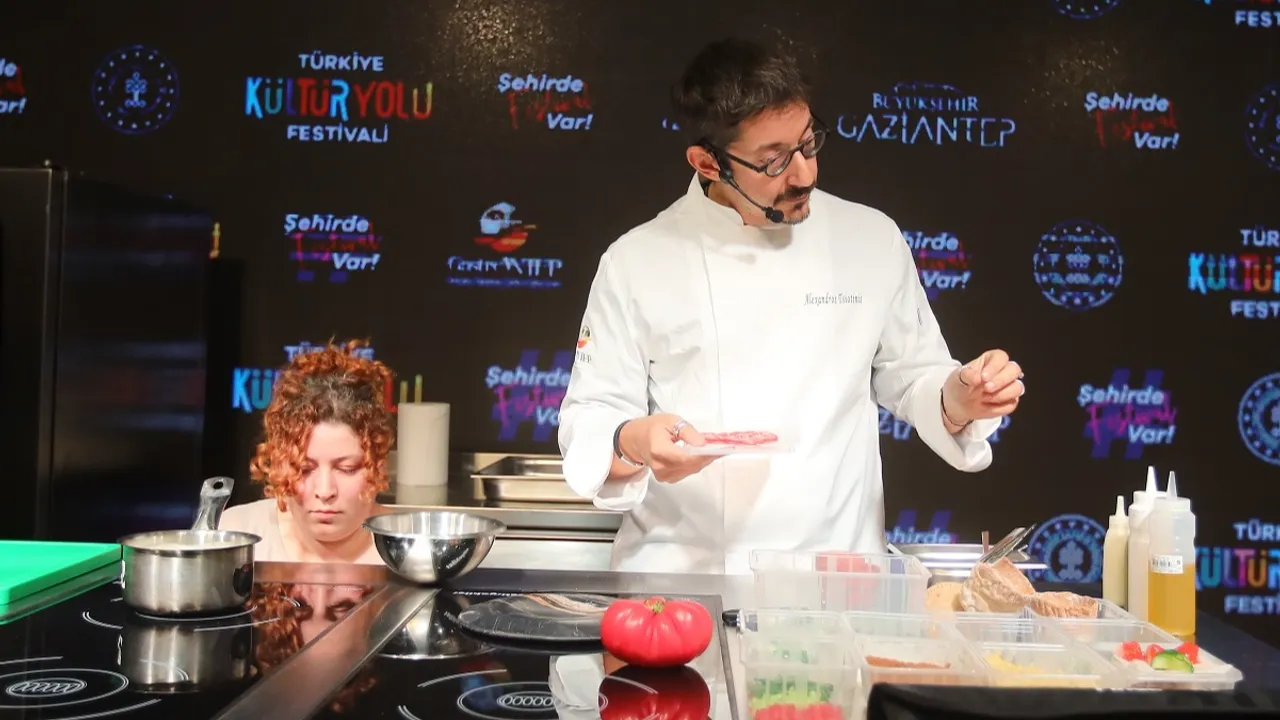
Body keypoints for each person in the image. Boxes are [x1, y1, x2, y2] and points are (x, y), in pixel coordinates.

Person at [557, 37, 1026, 575]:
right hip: (687, 580)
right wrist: (633, 441)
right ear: (707, 163)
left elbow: (915, 377)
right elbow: (591, 416)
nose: (803, 174)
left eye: (808, 144)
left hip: (837, 578)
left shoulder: (869, 239)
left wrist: (959, 397)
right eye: (773, 160)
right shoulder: (636, 261)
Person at [218, 340, 393, 564]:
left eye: (347, 469)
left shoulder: (411, 547)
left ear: (378, 465)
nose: (325, 491)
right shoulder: (236, 534)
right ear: (279, 463)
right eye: (304, 468)